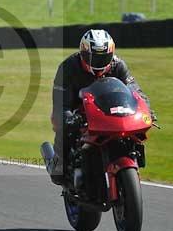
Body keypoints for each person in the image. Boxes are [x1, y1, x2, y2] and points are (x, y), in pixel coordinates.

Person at [49, 29, 153, 185]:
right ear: (83, 53)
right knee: (62, 136)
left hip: (108, 112)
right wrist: (68, 118)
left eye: (103, 57)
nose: (98, 63)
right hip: (78, 113)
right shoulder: (68, 68)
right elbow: (60, 103)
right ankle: (60, 165)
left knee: (131, 138)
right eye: (93, 58)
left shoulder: (118, 66)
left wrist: (146, 109)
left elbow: (135, 91)